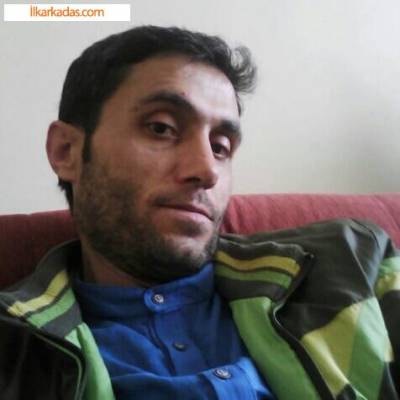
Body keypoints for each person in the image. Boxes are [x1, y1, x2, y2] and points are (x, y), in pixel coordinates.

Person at [0, 25, 398, 400]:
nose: (207, 171)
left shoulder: (353, 261)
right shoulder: (15, 347)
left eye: (221, 147)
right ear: (66, 152)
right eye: (161, 128)